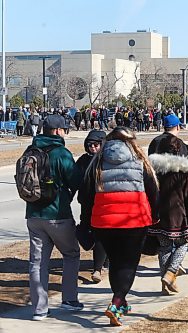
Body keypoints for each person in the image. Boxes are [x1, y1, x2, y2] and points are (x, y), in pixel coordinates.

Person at [80, 127, 159, 326]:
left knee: (115, 261)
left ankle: (121, 301)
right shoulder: (141, 160)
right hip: (134, 219)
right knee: (129, 263)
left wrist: (86, 220)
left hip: (103, 221)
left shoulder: (97, 162)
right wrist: (156, 217)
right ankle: (116, 302)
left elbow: (86, 196)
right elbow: (153, 191)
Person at [24, 114, 83, 320]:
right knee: (71, 254)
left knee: (37, 262)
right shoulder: (61, 153)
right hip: (58, 213)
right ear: (58, 131)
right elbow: (76, 179)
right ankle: (69, 299)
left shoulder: (30, 150)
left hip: (32, 214)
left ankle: (39, 309)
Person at [148, 134, 188, 295]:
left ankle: (165, 283)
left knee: (164, 248)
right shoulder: (183, 173)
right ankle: (171, 272)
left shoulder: (153, 172)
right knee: (183, 243)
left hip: (158, 216)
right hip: (178, 217)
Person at [76, 129, 107, 283]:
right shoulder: (82, 160)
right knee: (83, 231)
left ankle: (97, 269)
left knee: (100, 234)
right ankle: (103, 260)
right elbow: (74, 179)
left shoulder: (107, 159)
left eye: (96, 144)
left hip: (103, 203)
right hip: (86, 203)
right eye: (90, 145)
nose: (93, 148)